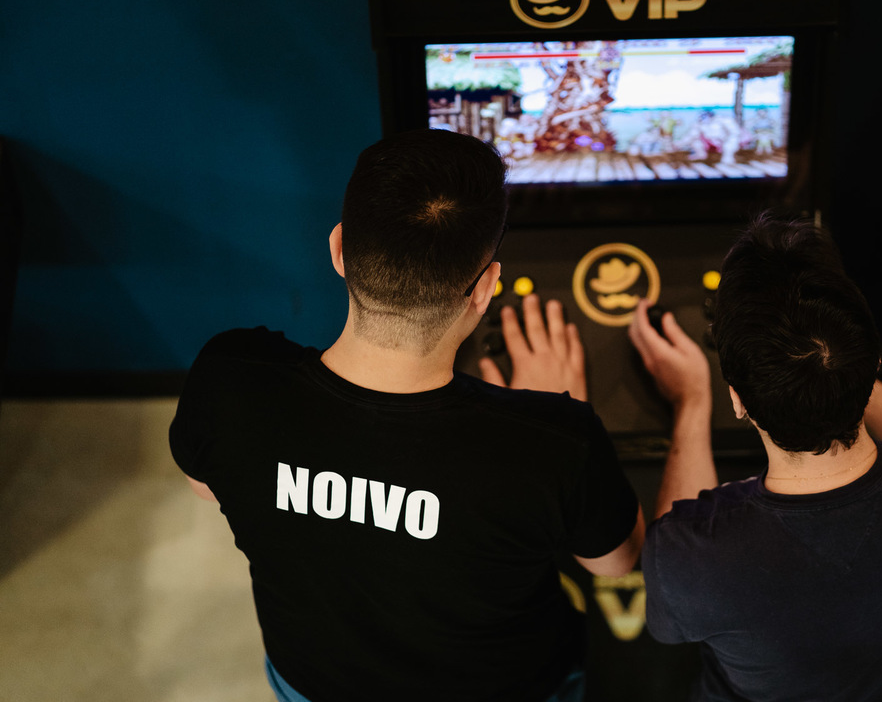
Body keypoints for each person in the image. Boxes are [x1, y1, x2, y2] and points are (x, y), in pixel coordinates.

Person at [169, 129, 644, 702]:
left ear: (339, 249)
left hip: (312, 683)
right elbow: (618, 563)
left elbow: (207, 487)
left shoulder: (229, 377)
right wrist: (539, 414)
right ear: (486, 287)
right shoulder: (555, 444)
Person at [627, 212, 882, 702]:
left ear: (737, 400)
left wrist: (692, 401)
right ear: (876, 364)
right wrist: (838, 367)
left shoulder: (687, 561)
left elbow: (667, 600)